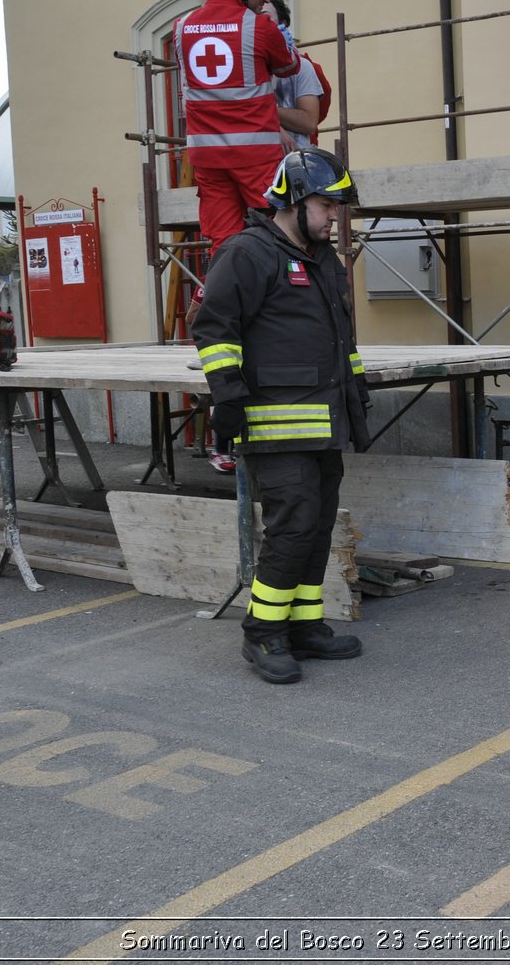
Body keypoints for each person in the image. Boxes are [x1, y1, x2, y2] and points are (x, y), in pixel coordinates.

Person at [191, 148, 370, 684]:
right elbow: (213, 328)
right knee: (291, 527)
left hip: (325, 423)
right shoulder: (248, 253)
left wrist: (356, 394)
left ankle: (304, 626)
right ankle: (263, 632)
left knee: (315, 527)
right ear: (293, 199)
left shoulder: (321, 260)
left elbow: (342, 342)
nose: (334, 216)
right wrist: (227, 398)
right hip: (275, 425)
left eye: (338, 207)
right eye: (326, 204)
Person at [174, 0, 298, 256]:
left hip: (208, 160)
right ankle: (279, 304)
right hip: (255, 157)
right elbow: (288, 67)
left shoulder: (181, 27)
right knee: (278, 235)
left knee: (224, 245)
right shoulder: (259, 26)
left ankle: (225, 302)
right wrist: (279, 33)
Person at [266, 0, 326, 150]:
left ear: (283, 25)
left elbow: (309, 122)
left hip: (292, 161)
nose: (260, 24)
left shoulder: (302, 67)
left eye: (266, 18)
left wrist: (259, 108)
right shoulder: (240, 65)